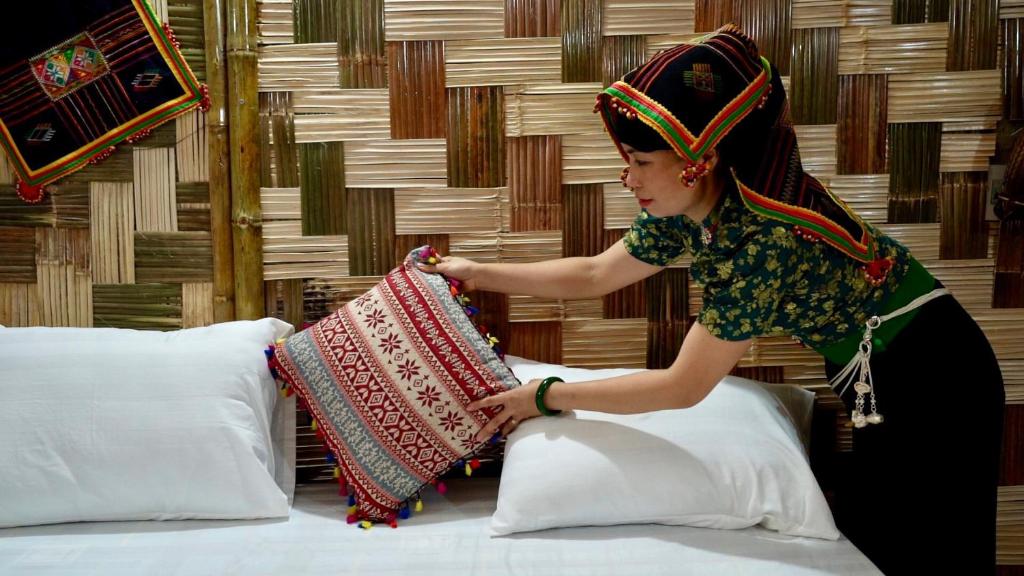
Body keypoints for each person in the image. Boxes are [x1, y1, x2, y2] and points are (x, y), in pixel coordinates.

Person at [419, 24, 1003, 575]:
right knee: (879, 537)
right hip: (874, 367)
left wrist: (546, 396)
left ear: (701, 161)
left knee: (924, 549)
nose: (629, 178)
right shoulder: (691, 206)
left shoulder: (759, 239)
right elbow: (597, 274)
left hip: (935, 370)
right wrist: (478, 273)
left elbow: (683, 386)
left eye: (642, 162)